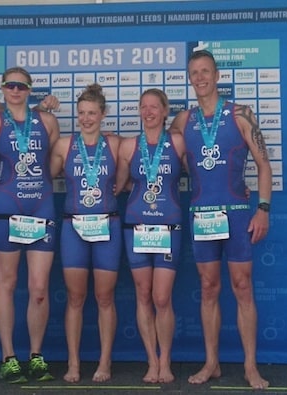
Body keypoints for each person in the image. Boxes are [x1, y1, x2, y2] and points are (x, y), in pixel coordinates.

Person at [169, 49, 272, 390]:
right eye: (193, 73)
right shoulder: (184, 120)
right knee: (208, 288)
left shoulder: (240, 114)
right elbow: (160, 147)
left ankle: (250, 366)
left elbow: (264, 166)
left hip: (238, 214)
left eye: (205, 71)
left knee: (242, 288)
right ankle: (211, 362)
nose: (199, 78)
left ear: (216, 76)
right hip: (202, 214)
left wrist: (263, 208)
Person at [0, 66, 60, 384]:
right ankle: (8, 357)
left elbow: (55, 164)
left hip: (40, 205)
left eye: (21, 86)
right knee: (7, 283)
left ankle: (36, 357)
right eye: (10, 85)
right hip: (6, 207)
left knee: (39, 288)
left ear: (29, 90)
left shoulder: (48, 122)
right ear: (3, 89)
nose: (15, 90)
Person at [49, 83, 121, 383]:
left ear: (103, 114)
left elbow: (155, 164)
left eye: (92, 113)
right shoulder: (64, 146)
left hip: (107, 225)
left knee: (105, 297)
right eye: (81, 113)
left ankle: (105, 362)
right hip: (73, 227)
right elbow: (36, 175)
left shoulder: (117, 144)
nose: (87, 118)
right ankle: (74, 363)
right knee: (75, 298)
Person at [115, 88, 187, 384]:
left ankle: (166, 360)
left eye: (154, 107)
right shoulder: (129, 146)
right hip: (137, 228)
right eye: (144, 107)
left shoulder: (178, 142)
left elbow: (203, 175)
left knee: (161, 297)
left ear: (165, 111)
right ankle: (152, 361)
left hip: (168, 227)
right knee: (143, 295)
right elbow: (116, 186)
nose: (148, 112)